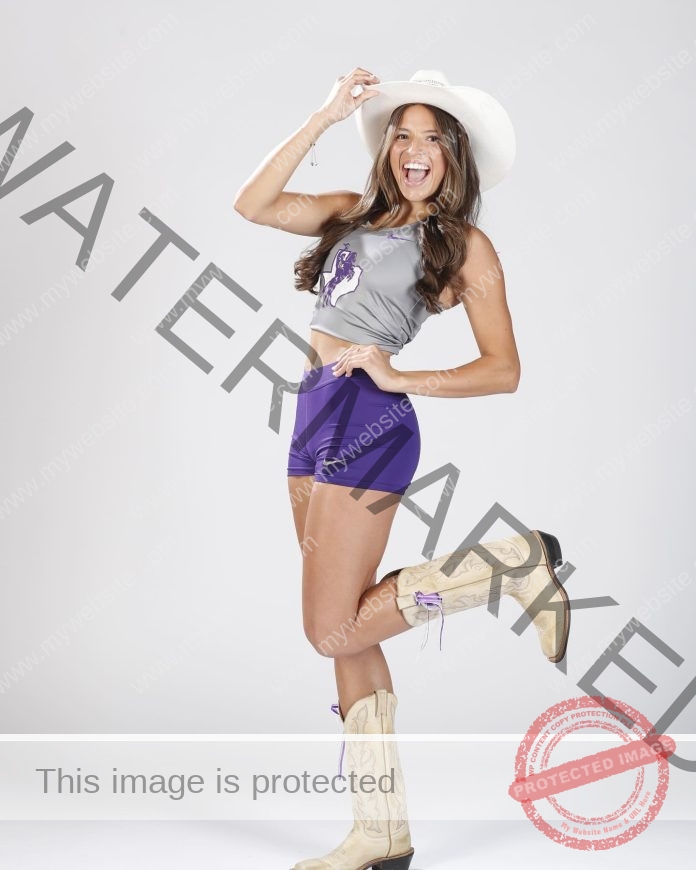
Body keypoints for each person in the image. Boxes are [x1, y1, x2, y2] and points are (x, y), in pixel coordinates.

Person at [234, 67, 570, 870]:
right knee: (352, 634)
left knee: (329, 629)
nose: (416, 150)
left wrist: (399, 376)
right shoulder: (353, 213)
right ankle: (381, 832)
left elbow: (503, 368)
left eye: (434, 139)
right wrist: (323, 114)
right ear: (387, 145)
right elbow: (252, 204)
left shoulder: (461, 245)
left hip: (368, 419)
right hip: (312, 413)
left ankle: (503, 567)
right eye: (404, 133)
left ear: (455, 158)